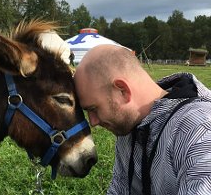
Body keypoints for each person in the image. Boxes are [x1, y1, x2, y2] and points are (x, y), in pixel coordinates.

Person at [74, 44, 211, 195]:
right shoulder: (130, 126)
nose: (93, 122)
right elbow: (119, 189)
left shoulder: (200, 131)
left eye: (93, 109)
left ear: (122, 91)